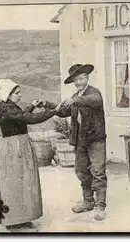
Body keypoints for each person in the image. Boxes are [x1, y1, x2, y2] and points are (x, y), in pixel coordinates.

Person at [0, 79, 60, 230]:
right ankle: (14, 222)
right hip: (13, 150)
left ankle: (23, 218)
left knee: (24, 183)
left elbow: (21, 115)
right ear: (8, 95)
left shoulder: (10, 107)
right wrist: (53, 111)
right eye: (17, 93)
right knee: (14, 184)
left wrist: (32, 106)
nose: (20, 96)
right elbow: (28, 119)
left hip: (19, 147)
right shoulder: (7, 109)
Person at [47, 64, 107, 221]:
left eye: (81, 79)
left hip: (95, 139)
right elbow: (63, 111)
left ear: (87, 78)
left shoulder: (94, 93)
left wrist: (75, 100)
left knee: (98, 172)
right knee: (81, 171)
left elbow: (94, 101)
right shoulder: (75, 97)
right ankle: (88, 201)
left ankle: (100, 205)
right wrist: (48, 105)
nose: (79, 82)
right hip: (81, 140)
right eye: (76, 80)